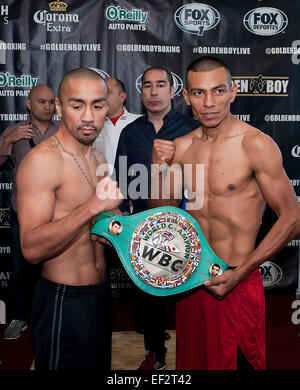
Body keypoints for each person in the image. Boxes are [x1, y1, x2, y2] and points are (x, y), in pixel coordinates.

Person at [151, 56, 300, 370]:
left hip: (237, 278)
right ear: (187, 97)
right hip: (190, 281)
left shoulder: (255, 145)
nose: (209, 103)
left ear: (232, 92)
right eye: (199, 93)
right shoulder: (181, 146)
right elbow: (161, 217)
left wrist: (241, 271)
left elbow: (292, 217)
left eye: (218, 91)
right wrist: (157, 169)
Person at [16, 68, 123, 371]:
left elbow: (98, 222)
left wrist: (113, 225)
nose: (89, 116)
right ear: (61, 109)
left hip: (99, 295)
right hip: (63, 300)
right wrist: (91, 208)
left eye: (98, 105)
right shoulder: (43, 161)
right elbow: (31, 248)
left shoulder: (98, 158)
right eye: (77, 106)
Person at [114, 66, 200, 370]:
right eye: (147, 85)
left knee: (189, 296)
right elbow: (122, 180)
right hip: (144, 227)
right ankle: (155, 353)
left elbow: (201, 180)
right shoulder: (131, 131)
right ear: (141, 93)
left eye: (160, 85)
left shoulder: (192, 127)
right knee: (147, 297)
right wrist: (123, 220)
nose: (153, 91)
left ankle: (193, 355)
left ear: (173, 91)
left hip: (186, 227)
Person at [0, 85, 58, 340]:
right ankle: (19, 316)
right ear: (29, 103)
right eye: (41, 102)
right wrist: (7, 142)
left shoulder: (63, 130)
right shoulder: (14, 132)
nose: (47, 106)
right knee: (21, 268)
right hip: (22, 213)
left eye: (50, 102)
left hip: (58, 212)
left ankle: (55, 314)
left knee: (56, 266)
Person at [93, 77, 140, 173]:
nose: (102, 97)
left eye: (107, 92)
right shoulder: (91, 125)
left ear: (122, 97)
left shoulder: (138, 122)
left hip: (133, 183)